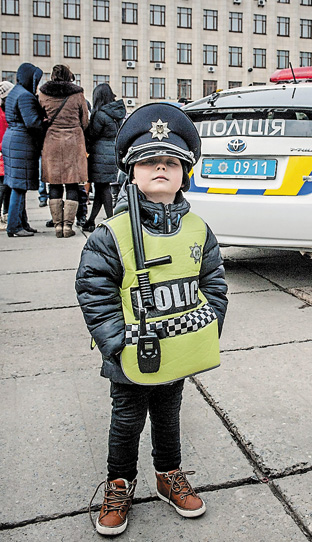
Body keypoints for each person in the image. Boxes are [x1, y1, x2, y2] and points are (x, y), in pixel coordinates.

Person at [75, 103, 228, 536]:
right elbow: (94, 290)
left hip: (178, 349)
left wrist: (207, 328)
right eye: (149, 161)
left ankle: (168, 476)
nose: (160, 168)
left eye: (170, 162)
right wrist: (114, 343)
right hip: (129, 353)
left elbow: (213, 282)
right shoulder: (112, 232)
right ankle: (119, 482)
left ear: (185, 173)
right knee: (126, 420)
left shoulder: (198, 229)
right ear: (131, 173)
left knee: (168, 414)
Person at [39, 64, 89, 238]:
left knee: (54, 183)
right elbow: (85, 121)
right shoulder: (77, 94)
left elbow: (40, 118)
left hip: (51, 141)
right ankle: (68, 226)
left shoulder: (43, 94)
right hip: (73, 142)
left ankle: (57, 226)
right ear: (69, 76)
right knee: (72, 183)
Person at [2, 63, 44, 237]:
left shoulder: (14, 93)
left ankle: (22, 223)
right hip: (22, 142)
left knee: (17, 185)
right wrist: (45, 121)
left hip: (12, 139)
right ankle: (14, 227)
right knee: (19, 187)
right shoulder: (25, 96)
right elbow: (32, 122)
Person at [83, 83, 126, 231]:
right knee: (101, 189)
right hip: (111, 153)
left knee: (104, 189)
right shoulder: (116, 113)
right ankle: (91, 221)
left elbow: (93, 134)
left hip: (99, 154)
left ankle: (110, 220)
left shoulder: (100, 114)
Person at [0, 81, 14, 230]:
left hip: (6, 152)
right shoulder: (2, 113)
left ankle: (5, 214)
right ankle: (2, 215)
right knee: (3, 186)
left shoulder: (5, 111)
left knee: (7, 186)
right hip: (2, 152)